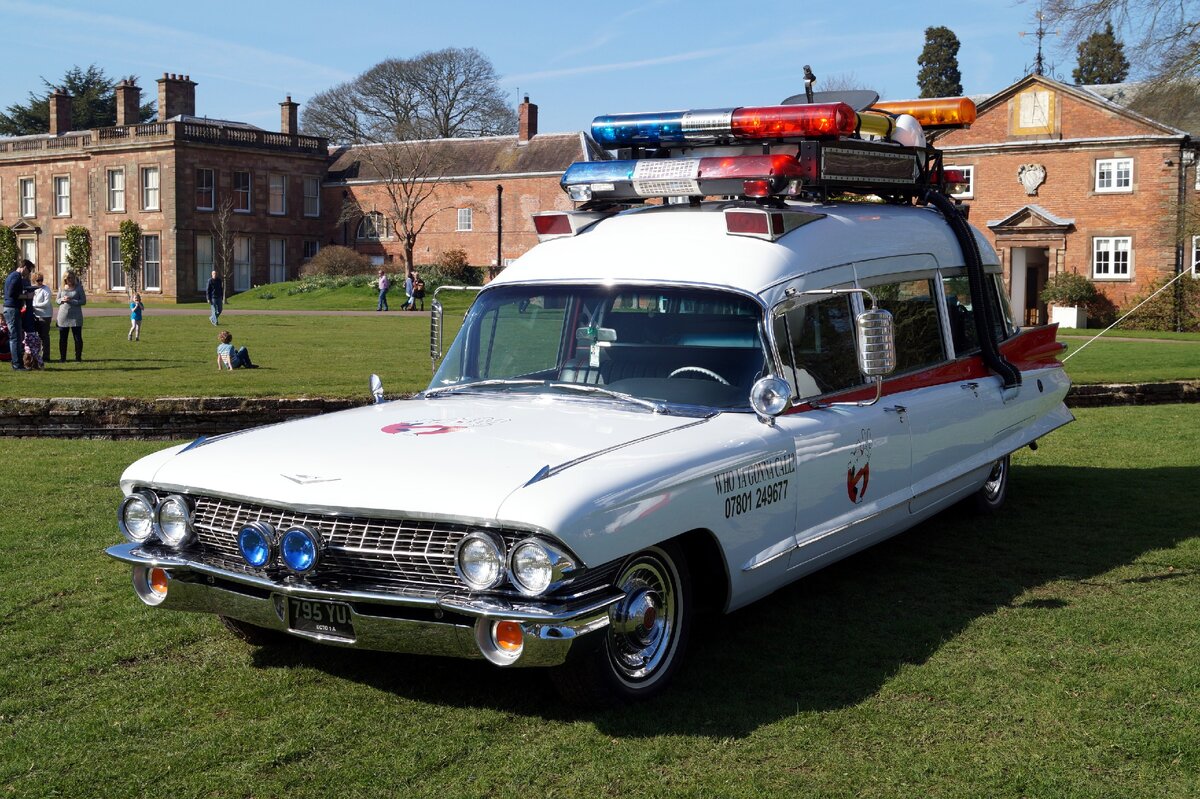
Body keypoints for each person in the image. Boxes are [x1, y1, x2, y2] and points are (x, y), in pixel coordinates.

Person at [3, 259, 34, 370]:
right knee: (15, 337)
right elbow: (12, 293)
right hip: (12, 308)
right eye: (29, 271)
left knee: (15, 336)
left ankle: (17, 363)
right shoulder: (16, 277)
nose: (28, 274)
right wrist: (27, 297)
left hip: (10, 308)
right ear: (24, 267)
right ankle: (17, 364)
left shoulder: (12, 275)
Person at [55, 271, 86, 362]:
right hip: (63, 316)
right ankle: (63, 358)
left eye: (72, 277)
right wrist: (62, 299)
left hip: (76, 316)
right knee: (63, 338)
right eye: (68, 278)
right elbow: (57, 301)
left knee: (77, 338)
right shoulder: (61, 288)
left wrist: (72, 301)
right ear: (65, 279)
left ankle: (78, 358)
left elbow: (83, 301)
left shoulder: (79, 288)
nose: (70, 279)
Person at [30, 273, 52, 359]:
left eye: (41, 280)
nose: (40, 282)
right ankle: (36, 355)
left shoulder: (46, 289)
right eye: (38, 280)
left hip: (45, 315)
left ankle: (46, 356)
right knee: (35, 336)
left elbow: (46, 303)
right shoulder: (32, 289)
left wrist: (34, 306)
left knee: (44, 336)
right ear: (34, 281)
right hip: (35, 315)